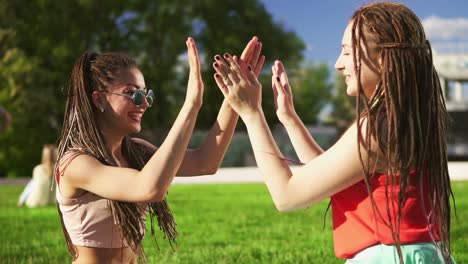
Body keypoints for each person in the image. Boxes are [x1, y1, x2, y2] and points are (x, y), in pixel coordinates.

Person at [213, 2, 455, 263]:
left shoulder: (376, 129)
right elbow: (327, 175)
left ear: (383, 59)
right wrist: (289, 118)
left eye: (348, 53)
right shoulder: (401, 119)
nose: (338, 64)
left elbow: (286, 196)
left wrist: (251, 113)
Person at [55, 37, 264, 263]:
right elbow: (149, 187)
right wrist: (191, 105)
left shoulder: (136, 151)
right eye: (133, 93)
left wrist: (235, 97)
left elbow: (205, 162)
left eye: (146, 94)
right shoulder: (75, 164)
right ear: (99, 100)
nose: (144, 103)